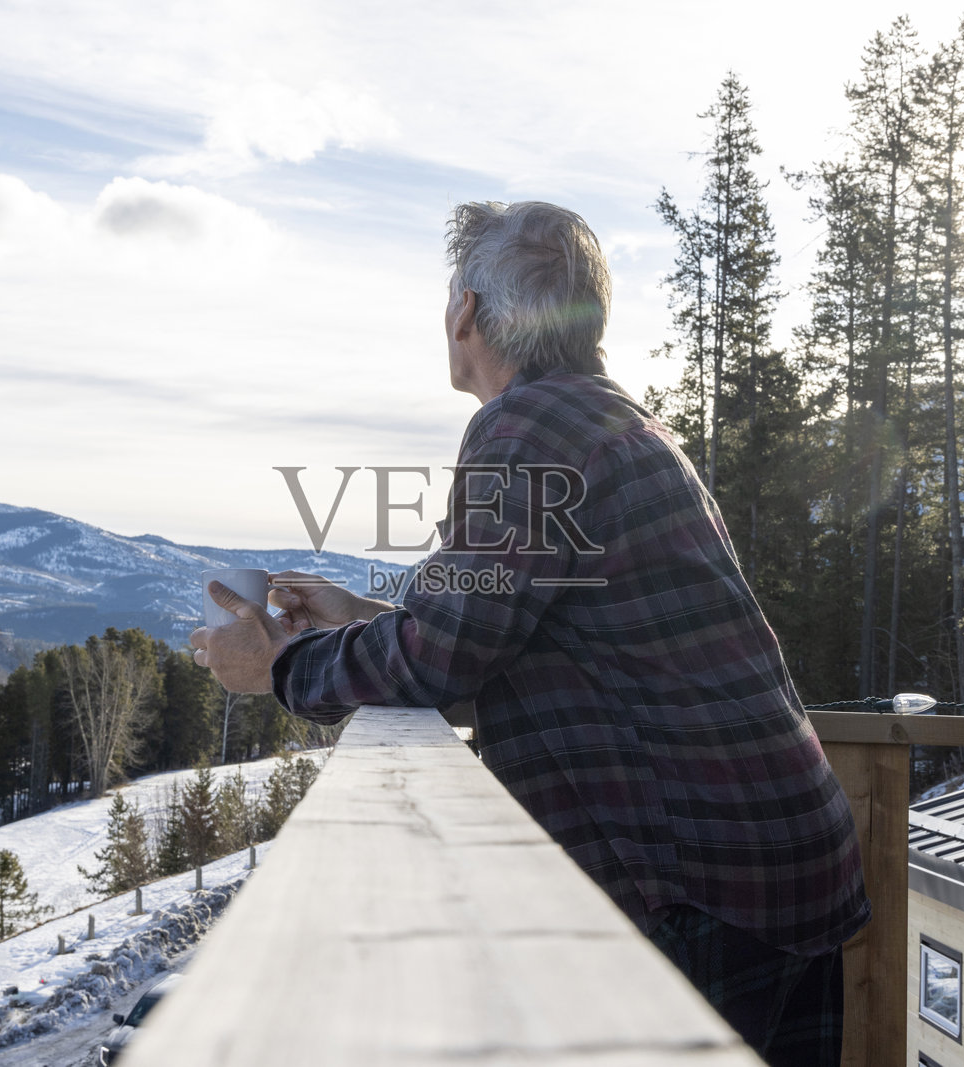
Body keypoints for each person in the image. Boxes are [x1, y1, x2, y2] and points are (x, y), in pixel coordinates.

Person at [191, 200, 869, 1066]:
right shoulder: (610, 420)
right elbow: (498, 632)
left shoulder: (528, 430)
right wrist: (355, 614)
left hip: (699, 883)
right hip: (774, 863)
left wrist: (280, 665)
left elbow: (444, 656)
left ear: (466, 311)